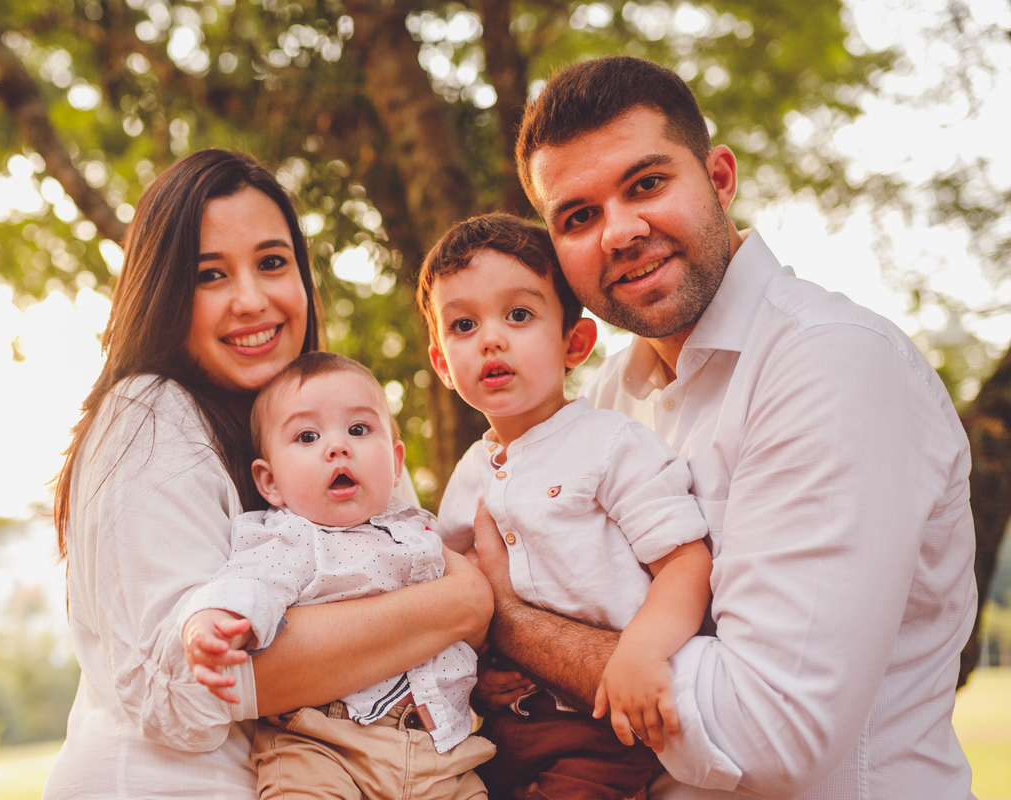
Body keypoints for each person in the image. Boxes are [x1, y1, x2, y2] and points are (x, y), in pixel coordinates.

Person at [466, 55, 978, 799]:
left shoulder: (830, 362)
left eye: (647, 184)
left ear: (721, 178)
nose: (620, 232)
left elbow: (768, 732)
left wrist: (511, 625)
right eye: (579, 217)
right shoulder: (603, 398)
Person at [42, 149, 492, 799]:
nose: (251, 300)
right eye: (210, 275)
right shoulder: (148, 411)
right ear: (165, 294)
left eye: (273, 263)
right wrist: (458, 602)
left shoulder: (331, 427)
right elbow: (181, 687)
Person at [418, 213, 711, 800]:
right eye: (464, 325)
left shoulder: (611, 445)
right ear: (444, 364)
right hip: (502, 727)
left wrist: (642, 651)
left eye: (518, 315)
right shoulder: (469, 475)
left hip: (600, 725)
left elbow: (686, 562)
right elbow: (453, 591)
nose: (490, 339)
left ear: (573, 343)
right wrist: (478, 671)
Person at [185, 351, 495, 800]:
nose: (338, 447)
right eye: (308, 436)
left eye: (358, 429)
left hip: (441, 749)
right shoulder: (291, 537)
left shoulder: (422, 531)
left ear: (395, 463)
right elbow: (250, 585)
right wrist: (213, 621)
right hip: (323, 742)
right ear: (270, 482)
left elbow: (466, 616)